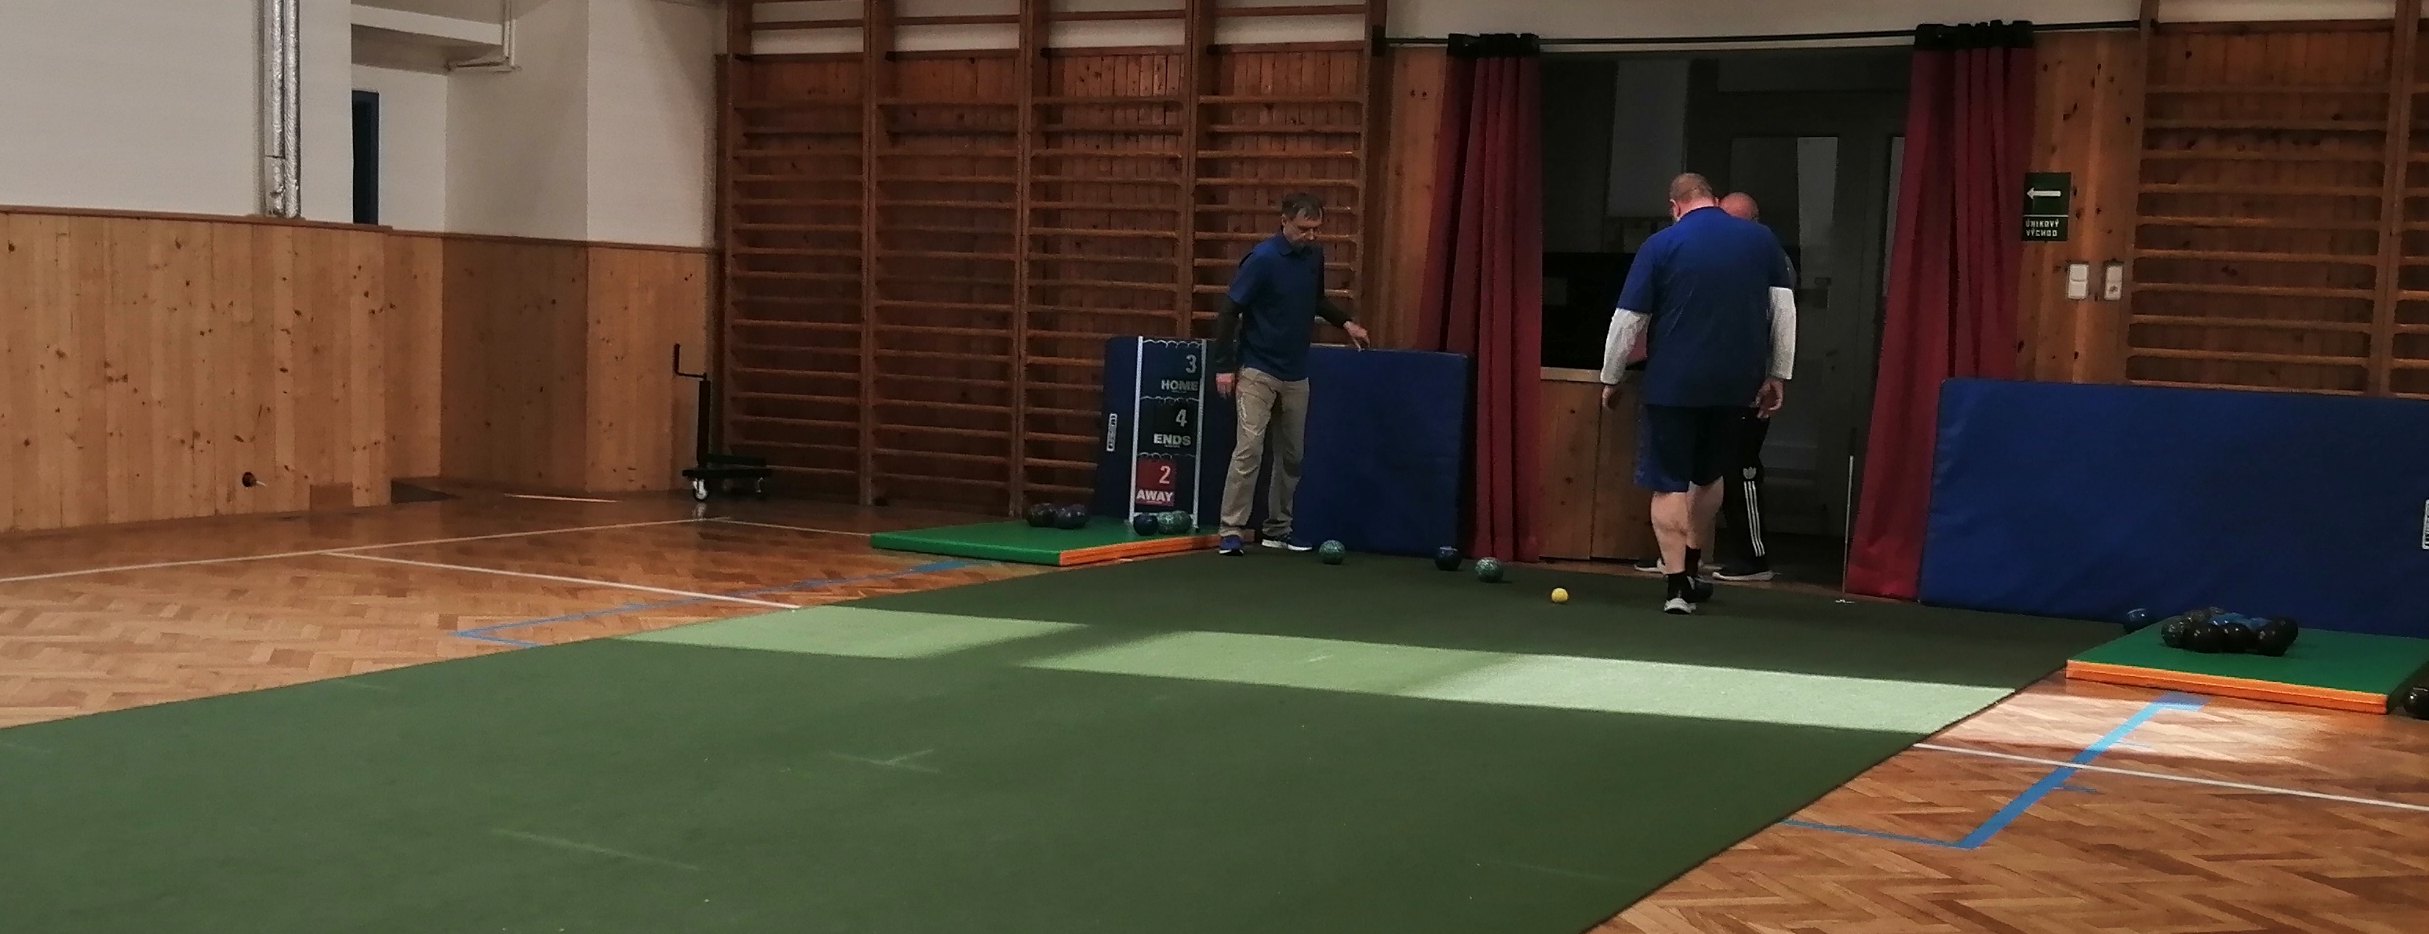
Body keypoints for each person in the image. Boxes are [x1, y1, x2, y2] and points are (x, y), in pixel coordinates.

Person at [1600, 174, 1796, 614]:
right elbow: (1783, 311)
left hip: (1672, 382)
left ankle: (1676, 588)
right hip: (1735, 383)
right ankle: (1693, 566)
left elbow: (1628, 319)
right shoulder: (1761, 241)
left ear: (1675, 206)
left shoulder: (1661, 245)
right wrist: (1778, 373)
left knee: (1668, 482)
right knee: (1709, 477)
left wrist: (1611, 376)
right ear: (1715, 199)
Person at [1210, 192, 1370, 556]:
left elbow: (1317, 300)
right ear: (1284, 222)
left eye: (1315, 229)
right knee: (1249, 450)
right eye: (1303, 229)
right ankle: (1231, 530)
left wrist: (1346, 323)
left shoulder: (1313, 256)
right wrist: (1224, 366)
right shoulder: (1262, 259)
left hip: (1296, 372)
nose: (1310, 236)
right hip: (1257, 370)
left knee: (1293, 455)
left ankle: (1278, 529)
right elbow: (1229, 311)